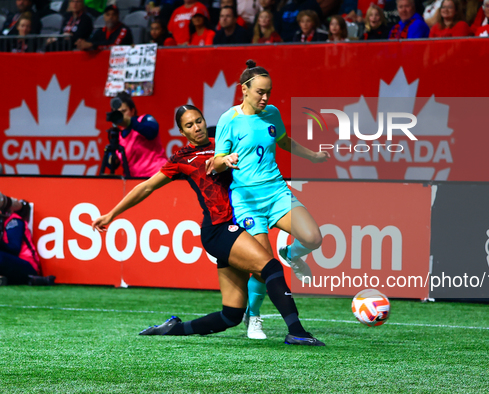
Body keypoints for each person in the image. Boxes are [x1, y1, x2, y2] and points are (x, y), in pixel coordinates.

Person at [91, 105, 325, 346]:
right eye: (189, 125)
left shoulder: (224, 142)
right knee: (270, 267)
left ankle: (173, 329)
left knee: (230, 315)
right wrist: (111, 214)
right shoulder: (182, 158)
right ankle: (295, 331)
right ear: (182, 131)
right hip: (219, 229)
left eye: (199, 121)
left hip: (245, 219)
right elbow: (146, 187)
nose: (197, 127)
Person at [213, 60, 329, 340]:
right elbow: (215, 161)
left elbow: (284, 141)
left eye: (269, 92)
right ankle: (253, 316)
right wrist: (225, 160)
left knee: (314, 238)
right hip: (247, 199)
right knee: (263, 266)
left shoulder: (272, 113)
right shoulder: (229, 120)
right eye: (260, 93)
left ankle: (292, 253)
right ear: (244, 90)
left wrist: (312, 156)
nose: (265, 98)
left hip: (277, 192)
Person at [108, 92, 168, 178]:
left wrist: (130, 122)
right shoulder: (118, 136)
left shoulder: (144, 120)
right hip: (135, 182)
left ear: (132, 111)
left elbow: (151, 132)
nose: (121, 116)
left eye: (123, 111)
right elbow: (111, 164)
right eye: (117, 113)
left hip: (158, 177)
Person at [0, 195, 55, 286]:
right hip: (10, 263)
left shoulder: (14, 221)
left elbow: (14, 248)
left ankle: (31, 279)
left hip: (27, 264)